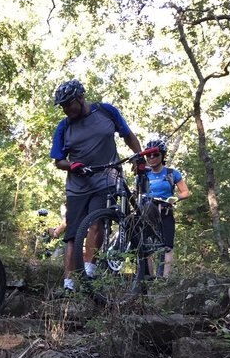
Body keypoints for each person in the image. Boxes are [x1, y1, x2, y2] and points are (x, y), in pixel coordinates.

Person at [48, 79, 142, 294]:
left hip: (106, 178)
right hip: (77, 186)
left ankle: (89, 272)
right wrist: (73, 165)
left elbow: (127, 135)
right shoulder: (64, 126)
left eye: (68, 104)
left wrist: (138, 158)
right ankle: (68, 284)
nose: (65, 109)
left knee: (97, 222)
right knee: (71, 235)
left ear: (80, 98)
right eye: (62, 106)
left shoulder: (106, 112)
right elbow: (58, 160)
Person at [144, 139, 190, 278]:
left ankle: (165, 278)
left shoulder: (171, 173)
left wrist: (175, 198)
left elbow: (185, 191)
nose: (152, 158)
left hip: (165, 210)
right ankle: (149, 278)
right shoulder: (144, 175)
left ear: (162, 155)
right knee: (146, 246)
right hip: (147, 211)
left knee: (167, 246)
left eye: (155, 155)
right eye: (148, 155)